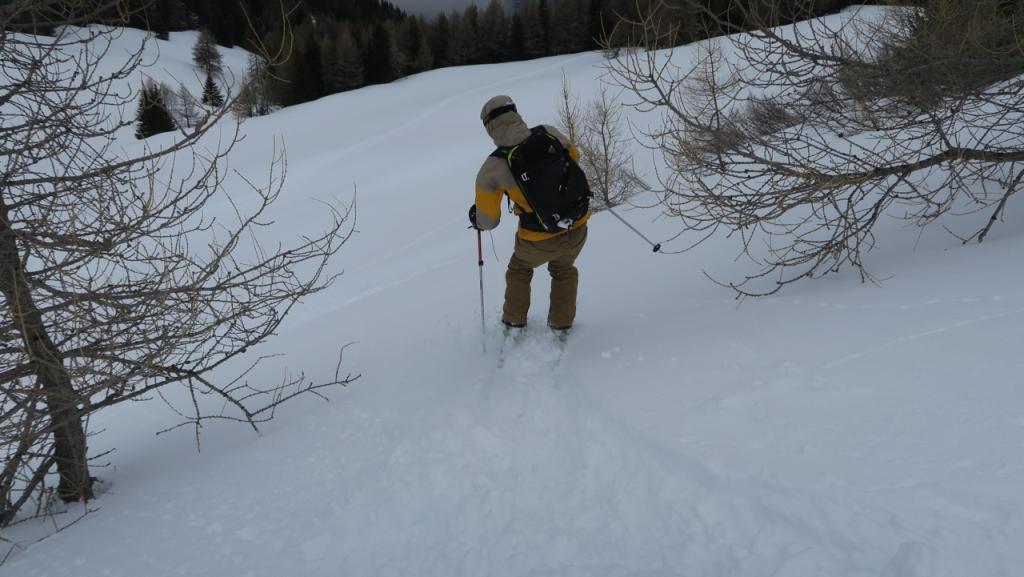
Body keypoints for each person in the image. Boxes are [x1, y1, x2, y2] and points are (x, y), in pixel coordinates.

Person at [468, 95, 590, 337]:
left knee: (519, 269)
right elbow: (574, 156)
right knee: (564, 269)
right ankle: (561, 323)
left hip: (538, 238)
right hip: (577, 224)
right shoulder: (547, 132)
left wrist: (477, 218)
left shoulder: (492, 167)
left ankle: (514, 321)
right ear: (515, 113)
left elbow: (489, 220)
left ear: (490, 128)